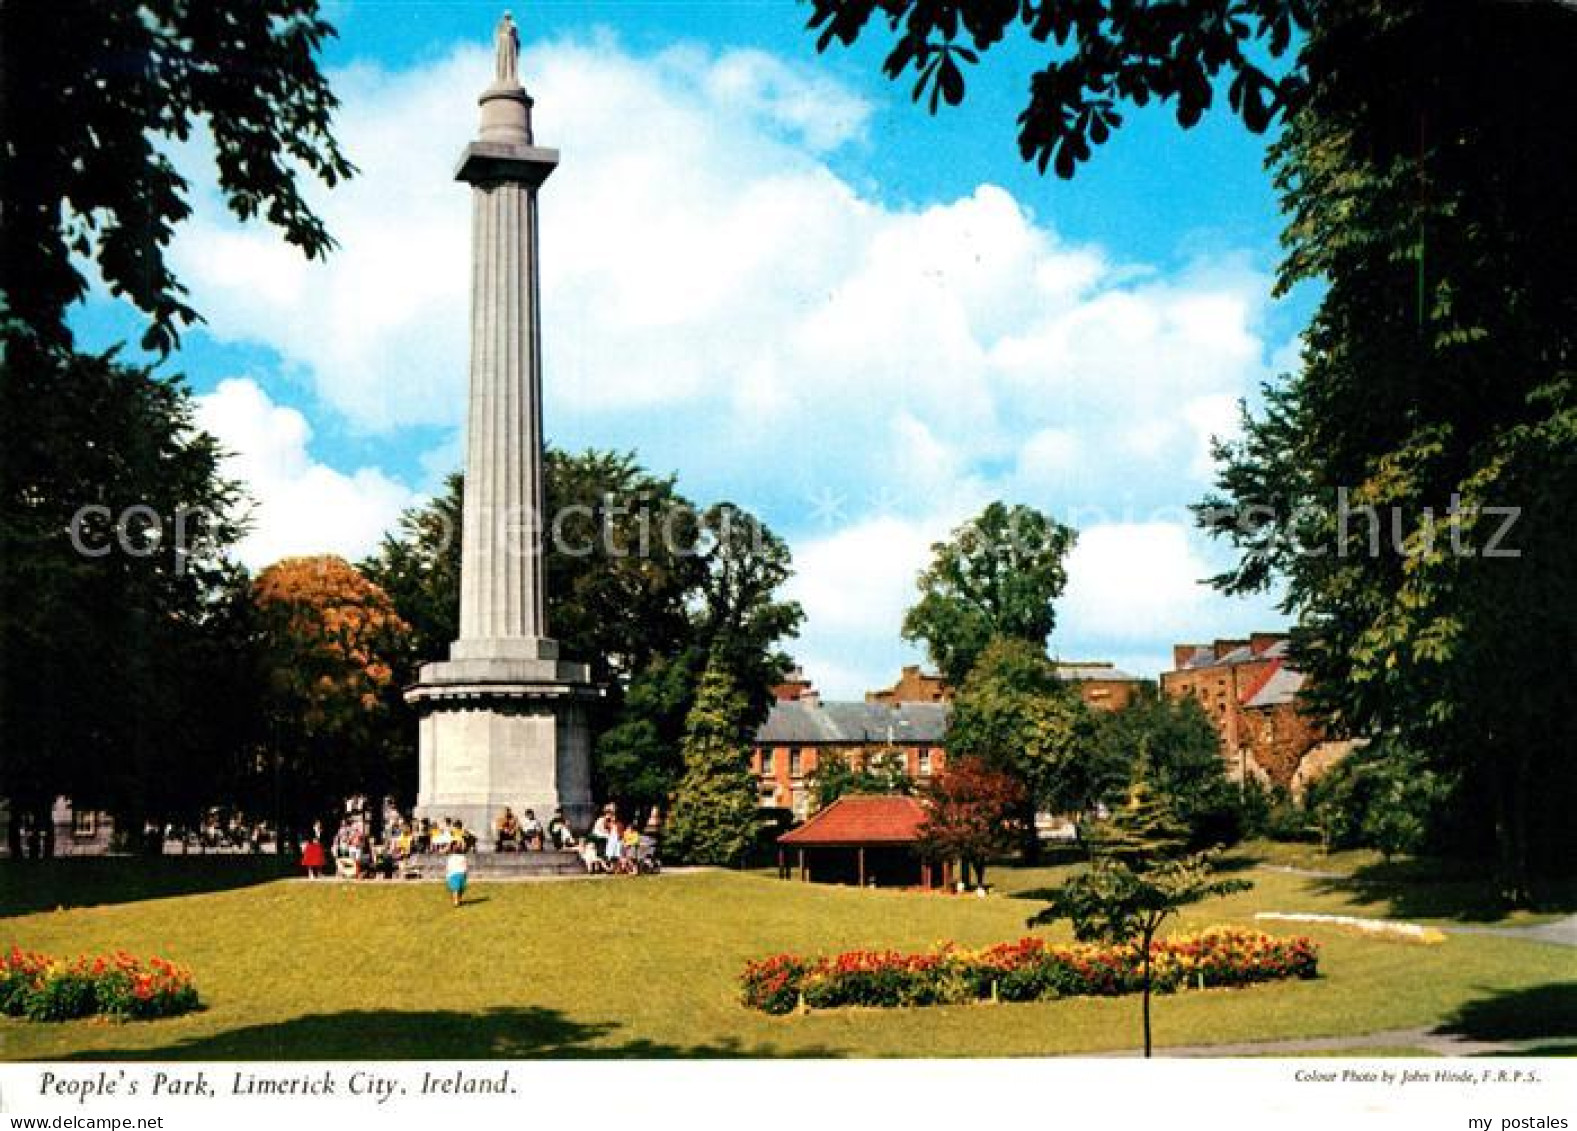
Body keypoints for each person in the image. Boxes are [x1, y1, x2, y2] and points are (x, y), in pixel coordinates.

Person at [445, 839, 470, 907]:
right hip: (454, 873)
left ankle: (458, 900)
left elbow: (465, 847)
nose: (457, 846)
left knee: (460, 888)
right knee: (456, 888)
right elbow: (444, 851)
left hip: (461, 873)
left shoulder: (462, 855)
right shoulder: (451, 855)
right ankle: (456, 901)